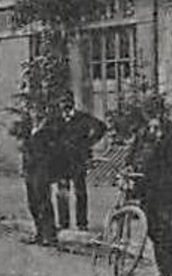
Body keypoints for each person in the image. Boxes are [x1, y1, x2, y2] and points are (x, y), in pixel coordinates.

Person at [134, 110, 172, 276]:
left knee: (168, 230)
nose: (152, 126)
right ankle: (163, 274)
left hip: (168, 191)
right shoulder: (143, 134)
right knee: (152, 230)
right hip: (148, 191)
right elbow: (134, 155)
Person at [56, 99, 107, 231]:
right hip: (61, 160)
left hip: (78, 159)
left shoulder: (82, 118)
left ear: (72, 103)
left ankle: (82, 223)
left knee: (80, 192)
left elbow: (101, 127)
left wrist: (88, 143)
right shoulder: (56, 119)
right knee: (62, 191)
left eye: (66, 103)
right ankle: (63, 223)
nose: (64, 107)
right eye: (62, 103)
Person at [20, 109, 60, 247]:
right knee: (32, 203)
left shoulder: (48, 132)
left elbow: (53, 152)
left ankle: (50, 235)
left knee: (44, 202)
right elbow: (25, 150)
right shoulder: (29, 130)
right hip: (30, 171)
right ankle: (39, 232)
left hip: (42, 171)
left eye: (39, 115)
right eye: (34, 114)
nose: (36, 116)